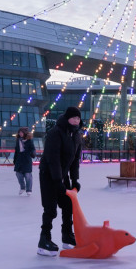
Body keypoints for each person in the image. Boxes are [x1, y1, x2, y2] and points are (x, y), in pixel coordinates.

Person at [37, 106, 83, 256]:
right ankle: (44, 240)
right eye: (74, 117)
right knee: (50, 208)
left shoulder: (76, 135)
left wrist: (74, 179)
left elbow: (75, 160)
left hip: (62, 175)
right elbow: (53, 159)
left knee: (68, 204)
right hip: (48, 174)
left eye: (78, 118)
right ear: (67, 118)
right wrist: (57, 181)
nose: (76, 120)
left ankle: (67, 236)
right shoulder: (56, 133)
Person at [13, 127, 36, 196]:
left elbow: (33, 149)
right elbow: (16, 151)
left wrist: (33, 153)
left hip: (27, 159)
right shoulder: (18, 140)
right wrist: (15, 160)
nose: (20, 134)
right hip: (19, 159)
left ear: (24, 133)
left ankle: (29, 189)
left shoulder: (29, 140)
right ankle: (22, 187)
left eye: (21, 132)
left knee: (27, 175)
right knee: (18, 174)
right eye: (19, 132)